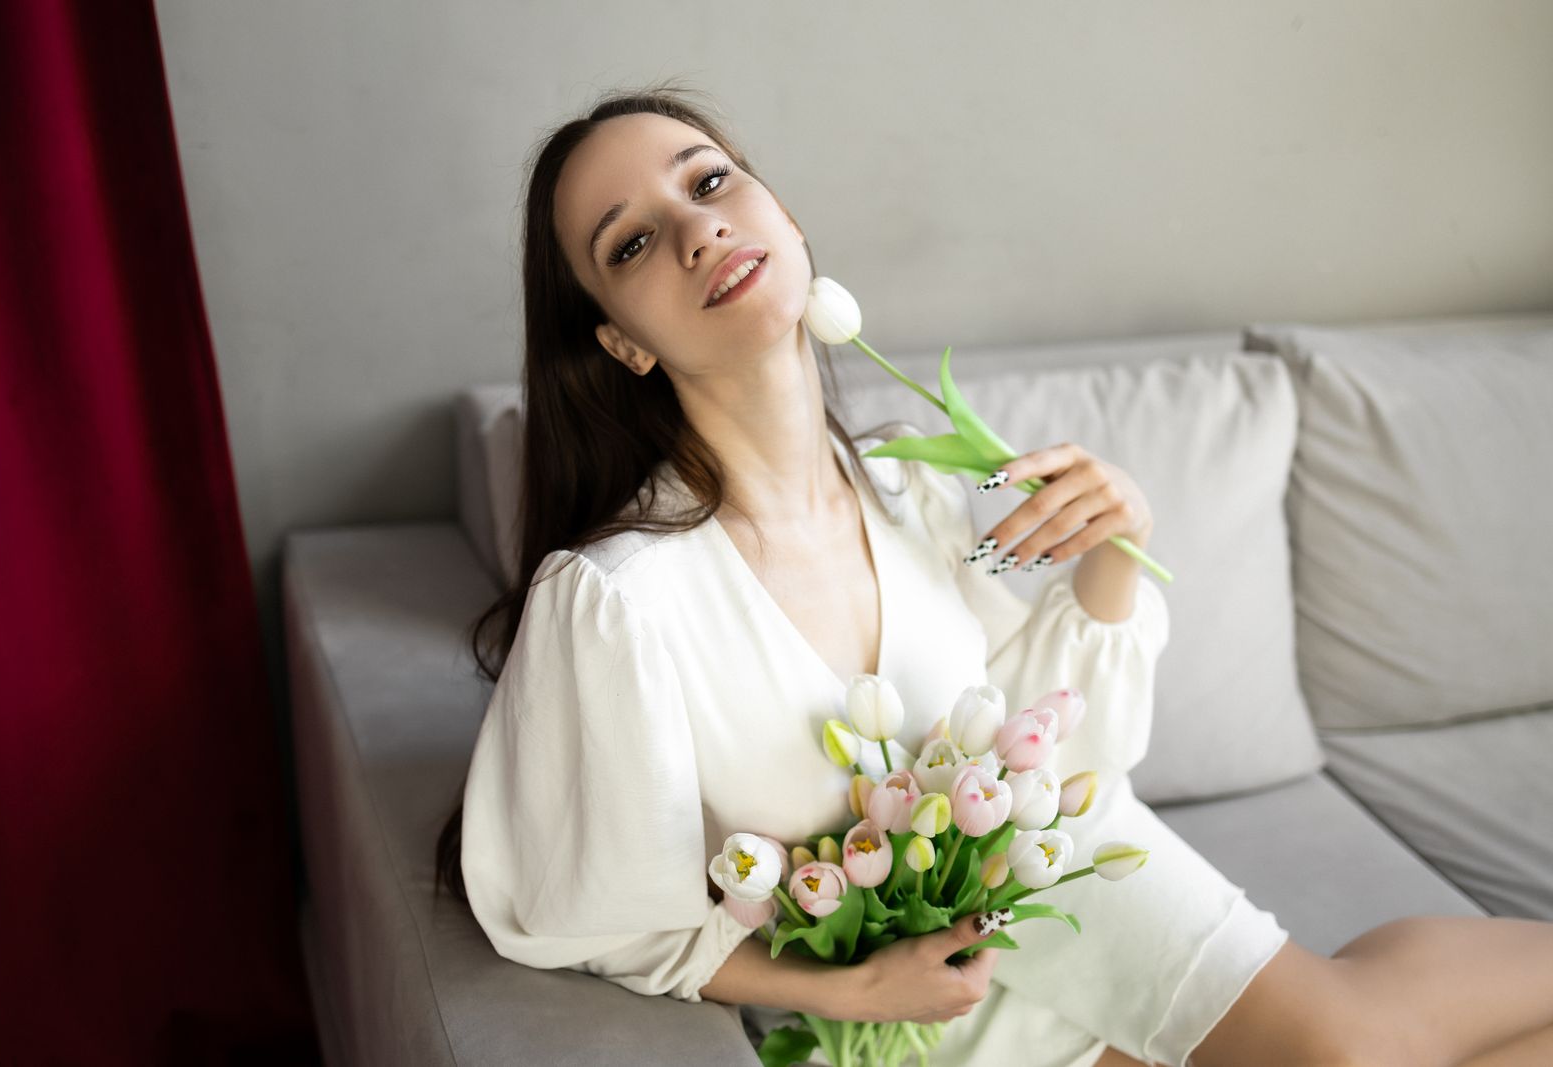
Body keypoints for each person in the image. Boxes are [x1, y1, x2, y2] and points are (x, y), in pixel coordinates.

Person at [433, 81, 1553, 1067]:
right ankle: (1361, 982)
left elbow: (1053, 738)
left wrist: (1112, 553)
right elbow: (597, 913)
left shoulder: (908, 487)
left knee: (1355, 1050)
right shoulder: (619, 602)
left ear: (785, 218)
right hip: (926, 1014)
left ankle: (1358, 991)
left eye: (711, 180)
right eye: (632, 242)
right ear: (621, 341)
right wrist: (848, 989)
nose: (697, 229)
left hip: (1068, 891)